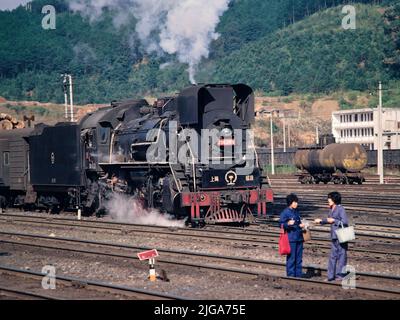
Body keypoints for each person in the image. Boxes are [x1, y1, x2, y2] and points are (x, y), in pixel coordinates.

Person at [314, 192, 349, 282]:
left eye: (330, 198)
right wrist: (321, 221)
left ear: (334, 199)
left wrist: (334, 220)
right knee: (332, 256)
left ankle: (340, 275)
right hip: (334, 236)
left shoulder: (341, 209)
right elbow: (329, 220)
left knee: (342, 256)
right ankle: (330, 276)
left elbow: (344, 222)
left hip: (341, 236)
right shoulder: (331, 209)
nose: (328, 200)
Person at [279, 193, 305, 278]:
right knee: (291, 258)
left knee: (299, 258)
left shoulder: (296, 211)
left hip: (299, 238)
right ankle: (290, 276)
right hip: (291, 238)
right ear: (290, 202)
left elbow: (299, 222)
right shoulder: (285, 212)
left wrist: (301, 225)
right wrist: (288, 223)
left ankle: (298, 275)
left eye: (297, 202)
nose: (296, 204)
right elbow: (281, 225)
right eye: (295, 202)